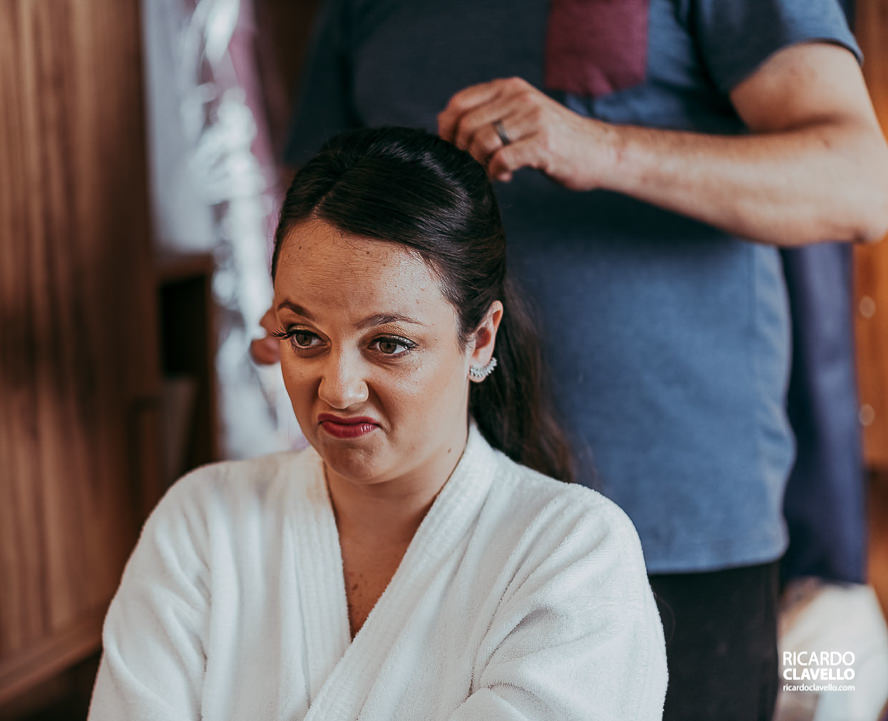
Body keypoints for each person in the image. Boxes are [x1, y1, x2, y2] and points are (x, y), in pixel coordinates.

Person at [261, 2, 888, 719]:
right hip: (433, 536)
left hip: (677, 534)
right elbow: (316, 192)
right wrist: (309, 314)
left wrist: (599, 148)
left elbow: (862, 182)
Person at [88, 127, 668, 720]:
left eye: (389, 343)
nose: (338, 390)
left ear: (480, 340)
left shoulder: (573, 554)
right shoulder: (204, 523)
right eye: (305, 337)